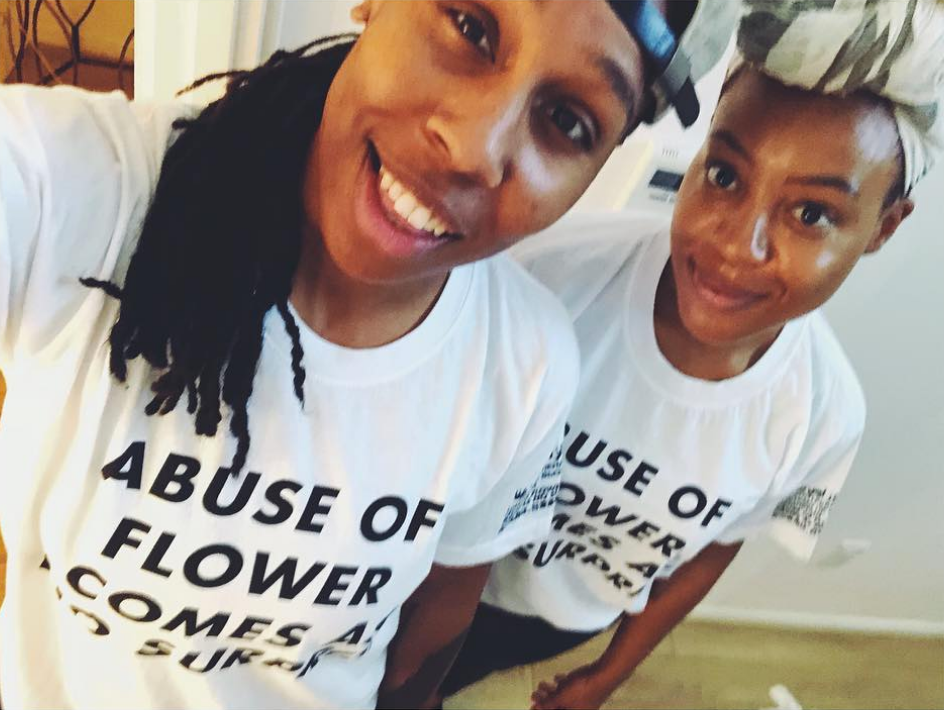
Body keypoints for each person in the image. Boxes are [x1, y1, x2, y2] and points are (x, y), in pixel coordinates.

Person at [0, 1, 736, 708]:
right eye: (472, 27)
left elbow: (437, 624)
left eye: (568, 121)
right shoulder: (86, 191)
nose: (473, 148)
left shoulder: (528, 364)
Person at [442, 1, 944, 708]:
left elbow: (713, 547)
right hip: (432, 583)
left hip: (558, 625)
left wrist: (612, 670)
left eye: (811, 214)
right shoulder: (548, 276)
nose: (737, 244)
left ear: (883, 228)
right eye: (725, 176)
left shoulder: (824, 420)